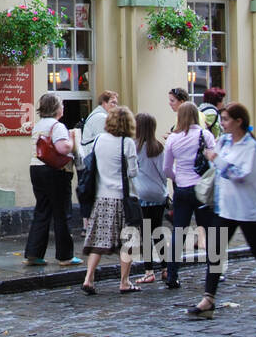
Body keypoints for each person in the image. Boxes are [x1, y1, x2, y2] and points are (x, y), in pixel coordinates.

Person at [186, 103, 256, 318]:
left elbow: (240, 174)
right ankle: (208, 298)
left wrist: (216, 159)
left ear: (239, 121)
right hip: (226, 208)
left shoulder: (250, 146)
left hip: (247, 208)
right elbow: (217, 172)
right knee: (215, 251)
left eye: (227, 119)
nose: (223, 123)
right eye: (222, 118)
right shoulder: (224, 141)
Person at [79, 106, 139, 294]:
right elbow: (133, 172)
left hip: (101, 197)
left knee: (98, 240)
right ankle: (124, 281)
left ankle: (89, 278)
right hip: (122, 198)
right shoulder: (127, 143)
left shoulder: (98, 140)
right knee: (127, 242)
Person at [24, 93, 83, 267]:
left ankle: (33, 253)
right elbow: (62, 148)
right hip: (55, 171)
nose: (63, 107)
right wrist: (73, 140)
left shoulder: (38, 125)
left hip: (36, 168)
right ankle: (65, 256)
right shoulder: (57, 126)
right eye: (61, 104)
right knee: (62, 212)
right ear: (56, 108)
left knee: (42, 210)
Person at [161, 102, 216, 289]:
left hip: (182, 189)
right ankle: (214, 272)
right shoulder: (205, 135)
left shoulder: (173, 139)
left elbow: (167, 168)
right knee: (210, 231)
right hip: (202, 190)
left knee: (179, 231)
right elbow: (215, 160)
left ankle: (172, 274)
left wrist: (179, 177)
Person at [131, 113, 170, 285]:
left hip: (141, 194)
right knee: (157, 230)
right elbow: (164, 173)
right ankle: (166, 267)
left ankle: (149, 271)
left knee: (145, 233)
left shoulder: (133, 147)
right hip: (158, 194)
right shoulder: (158, 148)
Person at [75, 90, 119, 237]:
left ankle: (87, 226)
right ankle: (88, 226)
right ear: (104, 103)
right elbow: (105, 140)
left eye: (116, 102)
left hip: (87, 159)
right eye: (112, 102)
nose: (115, 105)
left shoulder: (99, 115)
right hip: (91, 160)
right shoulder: (101, 117)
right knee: (90, 192)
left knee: (87, 191)